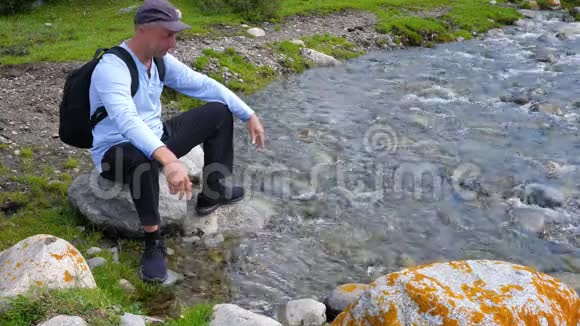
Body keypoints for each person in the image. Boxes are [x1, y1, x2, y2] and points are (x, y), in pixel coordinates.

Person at [89, 0, 265, 283]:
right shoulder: (112, 68)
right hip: (116, 153)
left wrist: (248, 113)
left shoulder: (159, 61)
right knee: (140, 156)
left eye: (174, 35)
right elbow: (126, 120)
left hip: (157, 137)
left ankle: (212, 193)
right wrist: (169, 160)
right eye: (166, 34)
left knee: (218, 112)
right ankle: (153, 242)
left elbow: (203, 83)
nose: (173, 43)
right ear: (142, 30)